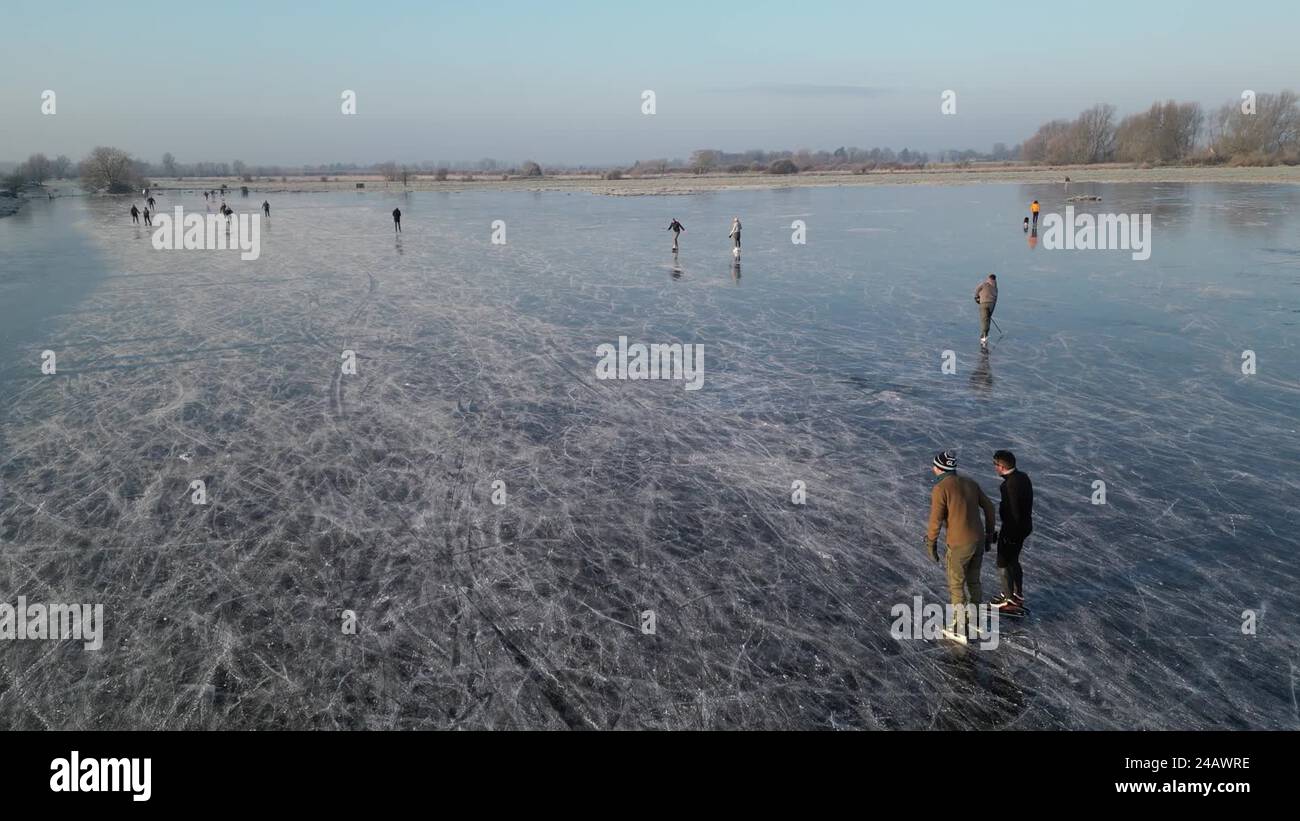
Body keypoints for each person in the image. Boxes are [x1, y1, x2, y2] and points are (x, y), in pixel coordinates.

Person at [925, 450, 998, 642]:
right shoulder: (970, 483)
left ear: (940, 468)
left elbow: (935, 520)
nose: (933, 468)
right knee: (974, 581)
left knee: (956, 585)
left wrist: (930, 543)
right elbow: (990, 508)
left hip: (959, 544)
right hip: (978, 540)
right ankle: (975, 621)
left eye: (934, 465)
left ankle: (959, 627)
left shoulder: (941, 488)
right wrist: (990, 535)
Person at [991, 450, 1033, 614]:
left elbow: (1013, 511)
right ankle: (1017, 594)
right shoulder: (1023, 477)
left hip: (1013, 530)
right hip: (1025, 527)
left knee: (1003, 562)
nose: (995, 468)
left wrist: (1009, 535)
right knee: (1013, 560)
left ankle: (1008, 600)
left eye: (995, 465)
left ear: (1001, 466)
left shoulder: (1009, 485)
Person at [974, 273, 998, 346]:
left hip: (983, 303)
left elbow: (977, 290)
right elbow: (996, 297)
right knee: (987, 319)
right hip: (992, 304)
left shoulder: (984, 284)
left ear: (989, 278)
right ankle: (986, 334)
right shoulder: (995, 287)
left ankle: (983, 336)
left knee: (984, 319)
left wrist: (977, 298)